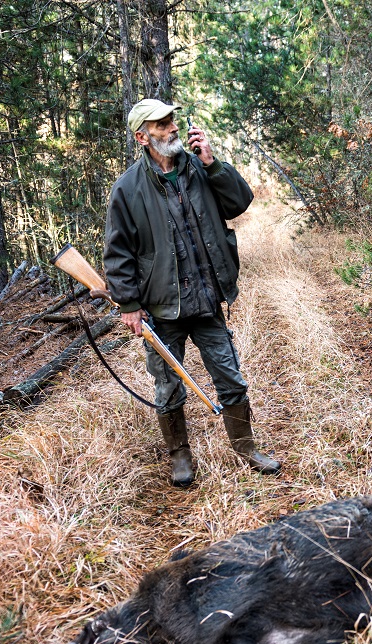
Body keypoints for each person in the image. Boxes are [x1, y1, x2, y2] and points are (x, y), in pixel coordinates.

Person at [103, 98, 280, 487]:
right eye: (162, 124)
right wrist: (129, 304)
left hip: (205, 300)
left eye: (171, 120)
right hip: (161, 309)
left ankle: (246, 448)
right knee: (168, 386)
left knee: (230, 377)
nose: (172, 128)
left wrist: (213, 164)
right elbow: (118, 253)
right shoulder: (127, 189)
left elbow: (240, 203)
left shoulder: (199, 168)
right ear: (142, 136)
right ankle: (179, 457)